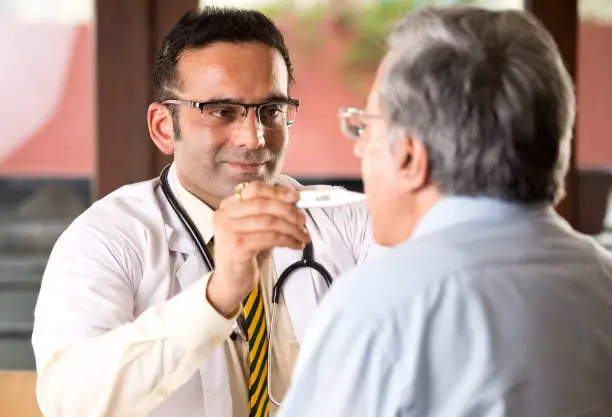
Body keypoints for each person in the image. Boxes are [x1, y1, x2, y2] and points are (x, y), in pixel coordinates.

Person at [31, 7, 374, 417]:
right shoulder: (107, 237)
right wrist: (218, 296)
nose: (254, 138)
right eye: (222, 112)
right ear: (163, 127)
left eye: (271, 110)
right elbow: (70, 402)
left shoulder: (346, 220)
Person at [277, 6, 612, 417]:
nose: (359, 148)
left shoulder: (378, 309)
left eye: (365, 127)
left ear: (410, 158)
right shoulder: (603, 280)